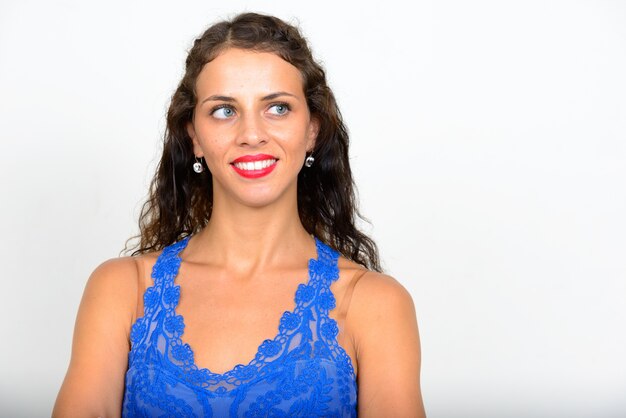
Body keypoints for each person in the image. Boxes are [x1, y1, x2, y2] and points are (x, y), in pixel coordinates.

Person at [53, 12, 425, 417]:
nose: (251, 133)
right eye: (224, 111)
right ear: (194, 136)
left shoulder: (375, 304)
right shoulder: (121, 290)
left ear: (313, 130)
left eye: (278, 108)